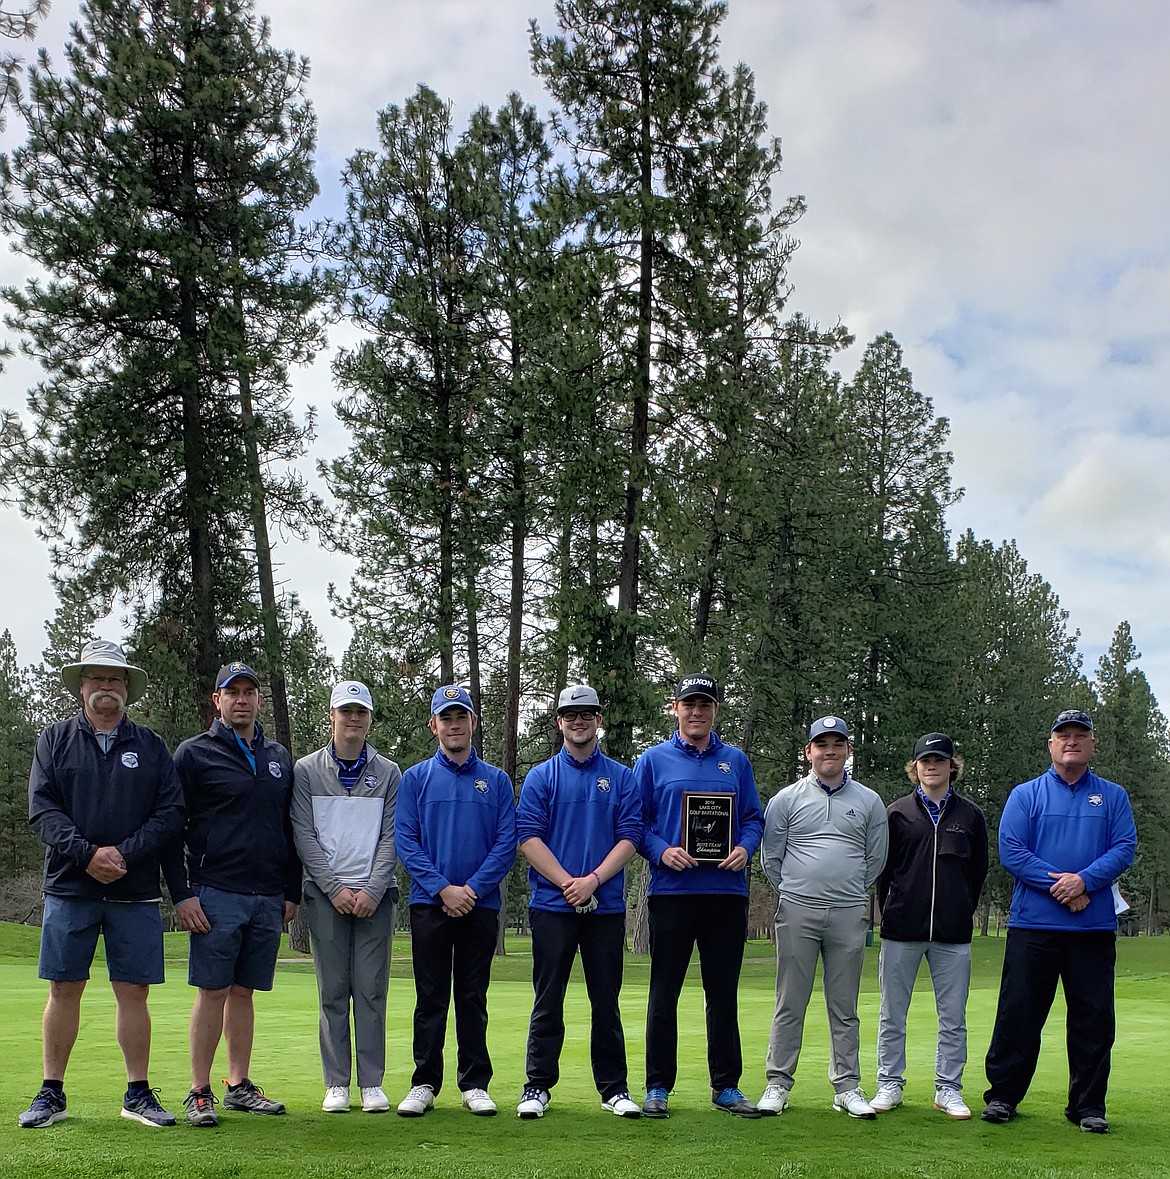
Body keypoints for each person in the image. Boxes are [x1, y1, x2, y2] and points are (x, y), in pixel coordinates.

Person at [19, 640, 186, 1130]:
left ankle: (137, 1093)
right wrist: (88, 854)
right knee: (64, 987)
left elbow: (171, 813)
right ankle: (52, 1092)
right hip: (70, 887)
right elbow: (43, 809)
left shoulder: (151, 746)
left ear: (127, 689)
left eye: (115, 679)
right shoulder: (53, 740)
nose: (106, 687)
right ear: (82, 686)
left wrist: (125, 855)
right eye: (97, 678)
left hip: (134, 891)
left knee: (133, 990)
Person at [981, 709, 1136, 1133]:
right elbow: (1012, 851)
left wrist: (1084, 880)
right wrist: (1064, 887)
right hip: (1034, 925)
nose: (1071, 741)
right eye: (1062, 735)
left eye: (1079, 735)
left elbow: (1123, 848)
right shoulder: (1026, 795)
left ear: (1091, 744)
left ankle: (1087, 1106)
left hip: (1092, 928)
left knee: (1093, 1019)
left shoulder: (1113, 797)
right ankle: (1003, 1097)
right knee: (1020, 1014)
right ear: (1050, 744)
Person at [171, 661, 300, 1127]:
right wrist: (182, 893)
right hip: (215, 892)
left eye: (249, 691)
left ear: (259, 700)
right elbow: (172, 827)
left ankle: (238, 1085)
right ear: (217, 700)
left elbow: (290, 829)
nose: (241, 699)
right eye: (233, 692)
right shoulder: (193, 754)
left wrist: (291, 891)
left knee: (244, 993)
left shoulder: (278, 756)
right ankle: (199, 1090)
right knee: (213, 992)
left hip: (267, 894)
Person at [636, 672, 765, 1119]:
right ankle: (657, 1087)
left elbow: (753, 818)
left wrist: (744, 848)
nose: (696, 712)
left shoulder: (736, 761)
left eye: (705, 705)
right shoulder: (652, 761)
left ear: (715, 711)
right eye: (689, 704)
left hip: (726, 893)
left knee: (723, 993)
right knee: (664, 992)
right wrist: (660, 850)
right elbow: (636, 824)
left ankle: (726, 1085)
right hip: (672, 892)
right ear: (676, 708)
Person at [515, 684, 643, 1120]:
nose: (579, 721)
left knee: (605, 1001)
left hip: (603, 907)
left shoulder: (622, 777)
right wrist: (570, 883)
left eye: (587, 714)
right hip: (552, 906)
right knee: (547, 999)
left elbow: (631, 837)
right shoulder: (542, 776)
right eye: (571, 715)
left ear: (598, 720)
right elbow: (528, 838)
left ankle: (614, 1089)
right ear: (559, 722)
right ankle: (536, 1086)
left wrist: (592, 880)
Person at [393, 685, 516, 1118]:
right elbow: (406, 841)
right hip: (430, 904)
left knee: (471, 996)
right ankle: (424, 1082)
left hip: (479, 907)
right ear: (434, 726)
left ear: (473, 723)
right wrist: (443, 888)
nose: (454, 724)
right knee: (430, 997)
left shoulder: (497, 781)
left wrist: (472, 890)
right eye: (446, 718)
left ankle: (475, 1083)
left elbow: (505, 844)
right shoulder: (416, 778)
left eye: (461, 716)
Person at [758, 715, 888, 1119]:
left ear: (848, 750)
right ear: (808, 751)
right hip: (797, 909)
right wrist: (801, 888)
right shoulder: (786, 799)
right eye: (821, 744)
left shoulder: (868, 801)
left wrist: (845, 889)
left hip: (849, 912)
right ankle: (778, 1083)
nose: (829, 751)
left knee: (844, 1005)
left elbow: (875, 858)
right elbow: (771, 858)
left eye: (837, 744)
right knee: (789, 1001)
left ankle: (847, 1087)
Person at [292, 680, 400, 1114]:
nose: (353, 719)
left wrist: (372, 889)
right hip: (324, 895)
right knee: (333, 990)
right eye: (346, 711)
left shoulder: (389, 772)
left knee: (371, 989)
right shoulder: (306, 771)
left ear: (369, 718)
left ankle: (371, 1083)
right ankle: (337, 1082)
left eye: (361, 712)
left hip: (377, 896)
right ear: (332, 715)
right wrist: (334, 888)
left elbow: (391, 837)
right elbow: (304, 834)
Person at [871, 732, 988, 1119]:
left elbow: (977, 873)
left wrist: (960, 910)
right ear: (915, 767)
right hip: (902, 929)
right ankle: (889, 1083)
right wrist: (893, 909)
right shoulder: (897, 813)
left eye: (940, 760)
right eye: (925, 761)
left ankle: (948, 1089)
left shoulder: (970, 816)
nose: (932, 766)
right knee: (892, 1014)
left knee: (953, 1018)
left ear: (952, 765)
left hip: (952, 935)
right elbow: (882, 872)